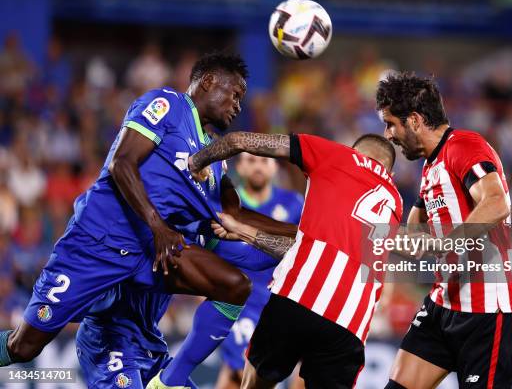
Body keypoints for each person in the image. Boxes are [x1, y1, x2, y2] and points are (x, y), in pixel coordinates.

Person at [0, 53, 294, 375]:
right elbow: (122, 163)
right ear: (208, 82)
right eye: (235, 94)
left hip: (153, 253)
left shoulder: (214, 155)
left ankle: (169, 379)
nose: (239, 105)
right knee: (24, 346)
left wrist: (305, 232)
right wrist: (157, 225)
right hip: (99, 241)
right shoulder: (167, 105)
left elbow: (234, 215)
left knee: (235, 285)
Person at [188, 131, 403, 388]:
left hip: (298, 297)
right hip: (350, 324)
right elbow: (357, 264)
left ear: (353, 152)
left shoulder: (338, 155)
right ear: (390, 172)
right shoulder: (394, 203)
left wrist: (196, 162)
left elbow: (239, 141)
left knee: (251, 383)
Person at [377, 72, 512, 389]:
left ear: (414, 120)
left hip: (487, 312)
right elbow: (411, 237)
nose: (388, 134)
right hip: (443, 305)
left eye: (391, 123)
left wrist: (442, 244)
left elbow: (496, 203)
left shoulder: (465, 146)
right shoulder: (431, 167)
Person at [214, 154, 303, 389]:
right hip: (239, 306)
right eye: (251, 161)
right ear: (240, 167)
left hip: (280, 304)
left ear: (275, 167)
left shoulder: (294, 204)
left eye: (264, 161)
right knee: (241, 373)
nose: (258, 166)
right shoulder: (223, 208)